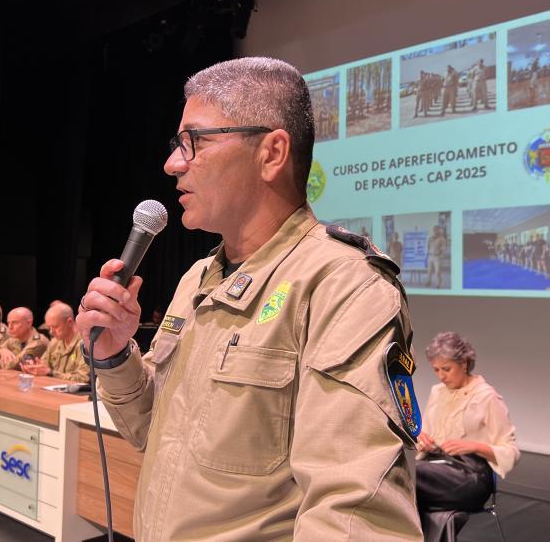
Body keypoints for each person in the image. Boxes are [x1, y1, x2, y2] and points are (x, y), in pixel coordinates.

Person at [75, 57, 420, 540]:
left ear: (272, 153)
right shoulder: (198, 278)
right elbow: (156, 432)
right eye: (177, 145)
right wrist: (113, 357)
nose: (172, 163)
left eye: (193, 141)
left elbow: (355, 514)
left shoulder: (342, 285)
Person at [415, 332, 519, 541]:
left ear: (464, 363)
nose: (441, 376)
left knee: (409, 476)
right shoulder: (438, 392)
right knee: (402, 473)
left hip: (470, 476)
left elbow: (511, 451)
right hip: (434, 468)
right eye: (436, 369)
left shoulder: (486, 396)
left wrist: (474, 446)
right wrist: (421, 439)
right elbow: (425, 431)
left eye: (446, 369)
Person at [22, 302, 88, 383]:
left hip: (76, 394)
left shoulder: (85, 344)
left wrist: (50, 373)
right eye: (49, 327)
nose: (51, 332)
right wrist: (34, 367)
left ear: (69, 322)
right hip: (54, 390)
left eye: (55, 327)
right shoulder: (54, 342)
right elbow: (44, 365)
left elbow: (84, 378)